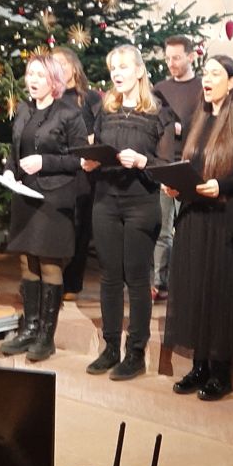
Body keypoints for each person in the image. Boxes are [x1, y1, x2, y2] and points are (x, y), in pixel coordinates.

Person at [164, 55, 233, 401]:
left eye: (215, 74)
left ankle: (220, 371)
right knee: (195, 290)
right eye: (205, 73)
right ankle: (199, 365)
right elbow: (188, 164)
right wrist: (176, 186)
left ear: (232, 82)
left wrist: (222, 185)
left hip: (226, 216)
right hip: (194, 216)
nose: (206, 80)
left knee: (220, 293)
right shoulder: (198, 118)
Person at [82, 45, 169, 381]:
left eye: (123, 67)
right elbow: (97, 149)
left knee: (137, 278)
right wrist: (91, 161)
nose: (117, 74)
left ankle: (135, 352)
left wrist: (144, 161)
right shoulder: (105, 111)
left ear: (139, 71)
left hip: (140, 202)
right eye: (113, 68)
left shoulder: (157, 114)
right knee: (109, 276)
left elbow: (166, 164)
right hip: (106, 199)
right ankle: (110, 348)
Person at [0, 54, 88, 361]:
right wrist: (9, 171)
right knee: (28, 261)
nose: (32, 80)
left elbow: (80, 159)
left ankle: (46, 337)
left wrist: (44, 162)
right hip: (24, 194)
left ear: (54, 80)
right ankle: (30, 329)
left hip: (54, 197)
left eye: (39, 75)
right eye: (29, 74)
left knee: (49, 263)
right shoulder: (24, 109)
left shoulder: (69, 114)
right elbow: (15, 149)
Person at [151, 35, 203, 304]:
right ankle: (158, 283)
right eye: (168, 58)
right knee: (162, 228)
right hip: (165, 163)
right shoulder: (160, 89)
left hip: (191, 166)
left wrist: (186, 129)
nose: (171, 63)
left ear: (191, 57)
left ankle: (184, 282)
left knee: (187, 228)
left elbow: (210, 126)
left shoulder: (202, 87)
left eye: (177, 58)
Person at [53, 46, 103, 302]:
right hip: (59, 166)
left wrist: (89, 142)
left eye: (62, 64)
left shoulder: (90, 98)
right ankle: (51, 280)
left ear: (73, 67)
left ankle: (72, 282)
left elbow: (100, 130)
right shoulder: (52, 98)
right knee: (57, 223)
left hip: (84, 169)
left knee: (80, 225)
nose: (58, 69)